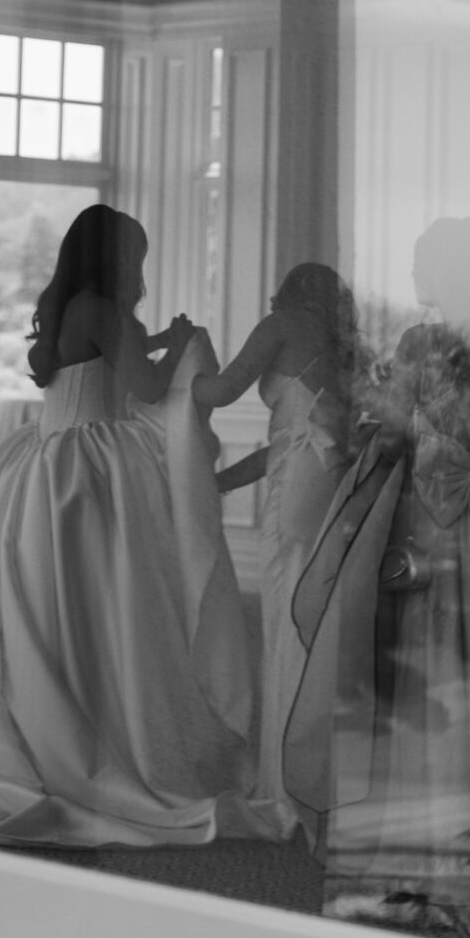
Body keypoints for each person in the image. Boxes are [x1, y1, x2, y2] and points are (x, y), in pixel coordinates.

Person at [0, 203, 288, 846]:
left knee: (66, 612)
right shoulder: (106, 312)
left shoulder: (67, 308)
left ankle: (64, 731)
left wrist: (158, 340)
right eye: (135, 257)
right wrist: (186, 345)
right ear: (117, 257)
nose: (139, 270)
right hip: (94, 467)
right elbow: (142, 385)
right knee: (120, 609)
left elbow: (104, 365)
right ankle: (118, 740)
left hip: (50, 460)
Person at [286, 218, 470, 893]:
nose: (410, 273)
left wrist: (362, 399)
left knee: (429, 673)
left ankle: (428, 849)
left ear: (454, 270)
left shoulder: (432, 343)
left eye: (420, 260)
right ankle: (447, 845)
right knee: (442, 676)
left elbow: (410, 423)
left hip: (444, 527)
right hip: (457, 528)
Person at [193, 264, 356, 823]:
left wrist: (180, 353)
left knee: (287, 612)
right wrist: (221, 482)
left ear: (287, 293)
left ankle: (287, 785)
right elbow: (288, 441)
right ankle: (315, 773)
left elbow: (219, 389)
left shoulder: (281, 323)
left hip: (300, 482)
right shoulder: (339, 345)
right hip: (325, 477)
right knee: (312, 612)